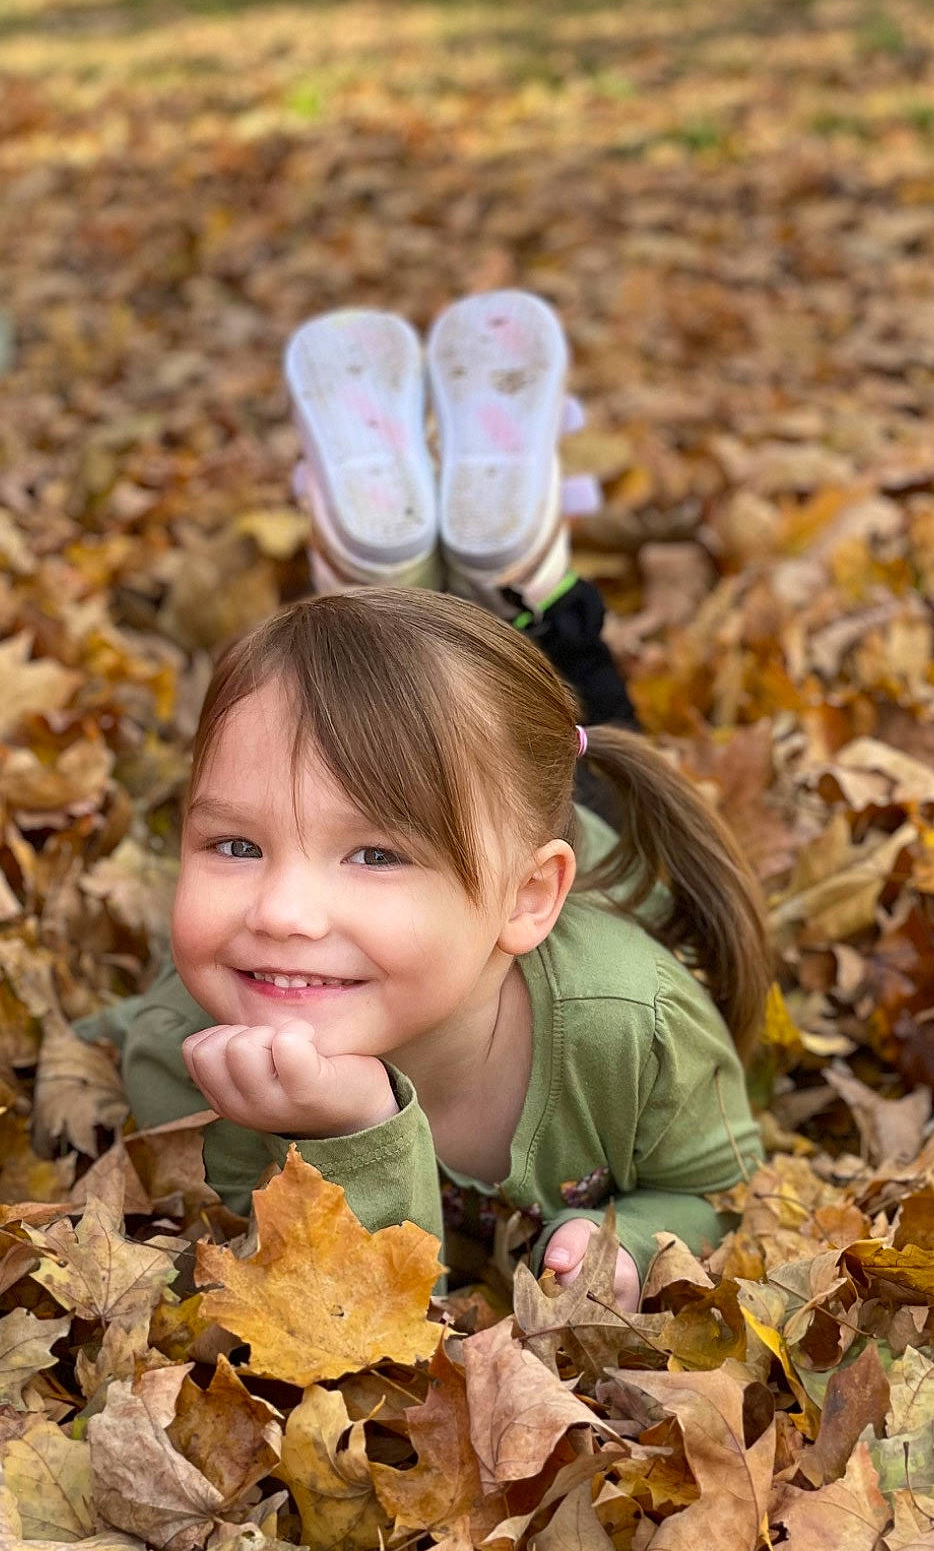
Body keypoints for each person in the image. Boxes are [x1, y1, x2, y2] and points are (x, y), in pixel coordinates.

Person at [114, 292, 768, 1312]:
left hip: (574, 809)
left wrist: (637, 1237)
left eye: (374, 854)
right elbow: (318, 1315)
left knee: (572, 709)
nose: (281, 911)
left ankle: (521, 584)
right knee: (415, 712)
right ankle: (405, 590)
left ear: (528, 897)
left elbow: (712, 1186)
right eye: (236, 844)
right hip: (470, 803)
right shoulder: (183, 1052)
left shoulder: (631, 1028)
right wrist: (354, 1131)